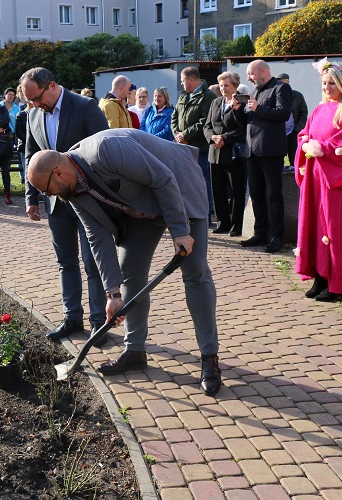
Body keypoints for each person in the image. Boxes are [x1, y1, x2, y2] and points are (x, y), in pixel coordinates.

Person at [25, 129, 222, 396]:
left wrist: (179, 231)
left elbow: (163, 178)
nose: (49, 195)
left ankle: (209, 358)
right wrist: (112, 294)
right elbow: (97, 237)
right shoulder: (71, 191)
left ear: (58, 173)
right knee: (129, 271)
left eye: (45, 190)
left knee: (195, 272)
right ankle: (135, 351)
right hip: (142, 209)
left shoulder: (104, 149)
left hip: (180, 187)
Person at [19, 66, 109, 344]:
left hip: (87, 199)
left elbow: (103, 152)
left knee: (93, 262)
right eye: (29, 100)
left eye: (36, 98)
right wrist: (31, 197)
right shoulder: (33, 114)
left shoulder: (85, 107)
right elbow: (30, 156)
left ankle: (99, 323)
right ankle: (72, 318)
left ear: (52, 85)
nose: (34, 105)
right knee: (65, 261)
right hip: (54, 202)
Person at [295, 62, 342, 302]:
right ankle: (320, 276)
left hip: (339, 182)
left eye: (332, 83)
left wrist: (321, 149)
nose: (327, 87)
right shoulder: (320, 109)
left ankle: (338, 283)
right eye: (324, 83)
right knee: (315, 226)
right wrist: (306, 144)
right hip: (317, 179)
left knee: (336, 229)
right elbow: (304, 133)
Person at [233, 60, 293, 253]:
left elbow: (283, 114)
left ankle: (276, 236)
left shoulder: (280, 88)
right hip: (252, 150)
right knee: (256, 194)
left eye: (251, 74)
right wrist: (237, 111)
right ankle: (260, 233)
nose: (249, 78)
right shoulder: (256, 91)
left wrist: (259, 108)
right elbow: (247, 121)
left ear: (263, 71)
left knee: (273, 195)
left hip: (271, 150)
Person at [204, 71, 248, 237]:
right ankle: (222, 222)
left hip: (233, 152)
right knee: (218, 190)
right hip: (215, 152)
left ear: (235, 86)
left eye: (226, 85)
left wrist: (225, 138)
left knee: (236, 191)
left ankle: (236, 225)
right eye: (221, 85)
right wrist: (213, 138)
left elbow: (243, 127)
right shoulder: (216, 102)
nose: (223, 88)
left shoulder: (242, 102)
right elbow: (207, 126)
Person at [171, 67, 217, 223]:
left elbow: (205, 121)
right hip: (181, 147)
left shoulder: (208, 96)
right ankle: (188, 212)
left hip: (199, 148)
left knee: (202, 182)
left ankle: (205, 214)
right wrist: (178, 134)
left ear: (191, 79)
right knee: (184, 182)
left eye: (183, 81)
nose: (182, 84)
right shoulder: (184, 95)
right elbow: (174, 116)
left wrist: (186, 135)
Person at [276, 73, 309, 173]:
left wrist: (297, 130)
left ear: (288, 82)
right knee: (278, 161)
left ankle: (295, 184)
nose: (282, 85)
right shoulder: (275, 96)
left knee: (295, 160)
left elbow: (304, 113)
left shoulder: (297, 95)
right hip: (279, 133)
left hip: (293, 132)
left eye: (284, 82)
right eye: (279, 82)